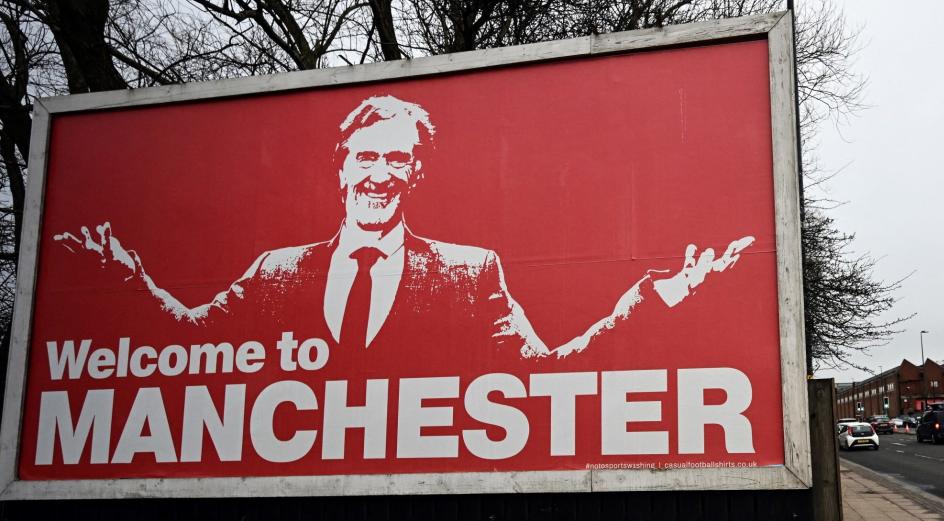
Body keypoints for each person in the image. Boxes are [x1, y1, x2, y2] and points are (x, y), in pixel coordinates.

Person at [54, 95, 753, 362]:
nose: (379, 174)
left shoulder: (469, 270)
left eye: (397, 159)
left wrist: (650, 301)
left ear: (416, 175)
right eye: (366, 157)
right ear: (340, 169)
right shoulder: (276, 271)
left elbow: (546, 375)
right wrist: (129, 281)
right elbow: (190, 349)